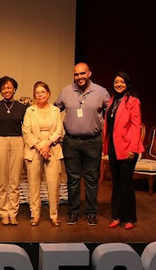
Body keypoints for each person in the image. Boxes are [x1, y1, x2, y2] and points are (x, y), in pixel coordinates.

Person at [54, 62, 111, 226]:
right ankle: (72, 212)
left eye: (82, 73)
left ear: (89, 73)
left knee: (91, 179)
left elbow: (112, 113)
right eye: (76, 74)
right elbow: (54, 111)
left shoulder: (101, 92)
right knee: (72, 179)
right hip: (71, 142)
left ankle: (91, 212)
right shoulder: (66, 91)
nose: (79, 77)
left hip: (93, 142)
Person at [102, 72, 144, 230]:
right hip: (114, 146)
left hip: (128, 148)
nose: (118, 84)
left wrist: (133, 148)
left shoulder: (133, 101)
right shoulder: (113, 100)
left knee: (126, 183)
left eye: (122, 82)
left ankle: (129, 218)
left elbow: (136, 126)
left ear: (127, 84)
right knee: (116, 183)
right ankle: (116, 216)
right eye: (116, 82)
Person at [22, 81, 65, 226]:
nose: (40, 95)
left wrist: (47, 145)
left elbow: (59, 130)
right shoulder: (30, 111)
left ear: (48, 93)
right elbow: (26, 131)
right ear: (34, 95)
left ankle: (54, 215)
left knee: (53, 184)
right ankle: (35, 215)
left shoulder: (55, 110)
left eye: (43, 92)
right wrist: (40, 147)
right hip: (34, 150)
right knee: (34, 185)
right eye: (37, 92)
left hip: (52, 149)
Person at [0, 75, 27, 225]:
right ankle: (3, 212)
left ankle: (13, 212)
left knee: (14, 180)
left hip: (17, 141)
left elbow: (26, 128)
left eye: (9, 87)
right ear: (0, 91)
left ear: (14, 89)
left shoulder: (22, 107)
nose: (6, 90)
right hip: (0, 140)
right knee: (2, 180)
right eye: (3, 88)